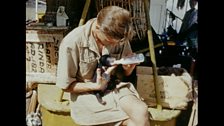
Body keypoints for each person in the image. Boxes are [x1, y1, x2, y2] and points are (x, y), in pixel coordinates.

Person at [56, 6, 150, 126]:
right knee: (128, 122)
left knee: (141, 112)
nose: (115, 44)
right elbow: (66, 86)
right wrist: (95, 86)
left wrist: (128, 68)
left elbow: (125, 74)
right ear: (97, 28)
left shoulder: (119, 36)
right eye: (110, 41)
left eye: (117, 42)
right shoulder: (72, 42)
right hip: (86, 94)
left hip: (114, 87)